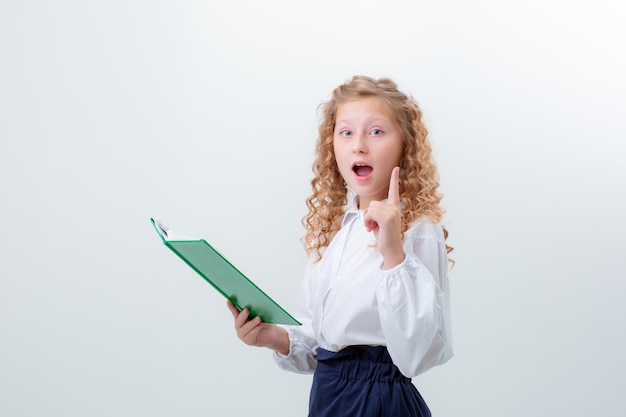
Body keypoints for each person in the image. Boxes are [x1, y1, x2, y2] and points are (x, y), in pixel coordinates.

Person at [227, 75, 454, 416]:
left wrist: (393, 253)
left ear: (405, 143)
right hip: (328, 394)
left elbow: (416, 355)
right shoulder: (334, 232)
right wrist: (271, 336)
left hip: (379, 401)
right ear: (332, 145)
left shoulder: (418, 230)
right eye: (346, 132)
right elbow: (321, 342)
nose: (359, 145)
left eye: (376, 131)